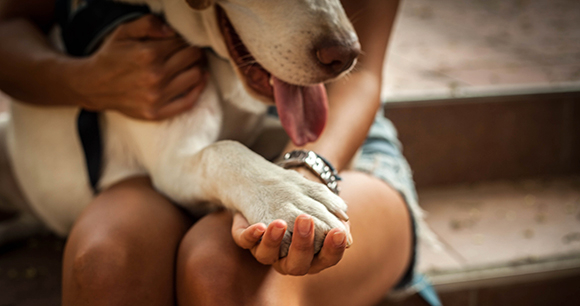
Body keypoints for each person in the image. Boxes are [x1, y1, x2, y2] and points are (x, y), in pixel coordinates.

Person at [0, 0, 426, 305]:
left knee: (219, 270)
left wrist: (306, 172)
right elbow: (11, 23)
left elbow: (362, 71)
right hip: (172, 149)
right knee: (106, 264)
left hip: (339, 142)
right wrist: (90, 80)